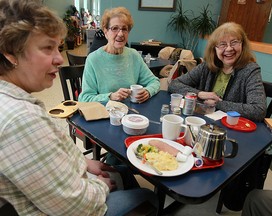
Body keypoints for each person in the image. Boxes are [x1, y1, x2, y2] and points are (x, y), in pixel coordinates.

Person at [0, 1, 158, 215]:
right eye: (48, 47)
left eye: (125, 29)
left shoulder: (19, 103)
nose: (59, 58)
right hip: (80, 203)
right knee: (148, 196)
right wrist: (102, 186)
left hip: (119, 129)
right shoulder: (21, 120)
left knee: (122, 173)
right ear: (10, 53)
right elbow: (73, 205)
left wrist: (83, 162)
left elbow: (53, 157)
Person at [168, 22, 266, 121]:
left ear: (242, 45)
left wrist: (218, 103)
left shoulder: (250, 70)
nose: (229, 48)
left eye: (234, 42)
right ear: (214, 49)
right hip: (201, 121)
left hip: (231, 127)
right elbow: (174, 84)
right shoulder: (207, 66)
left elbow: (258, 110)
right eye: (222, 44)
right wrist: (199, 94)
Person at [78, 7, 160, 104]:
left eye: (124, 29)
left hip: (132, 114)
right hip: (106, 115)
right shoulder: (93, 59)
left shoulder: (134, 55)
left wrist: (148, 91)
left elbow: (154, 81)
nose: (120, 34)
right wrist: (110, 96)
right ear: (105, 32)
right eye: (115, 28)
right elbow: (85, 98)